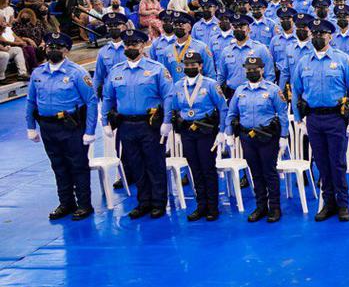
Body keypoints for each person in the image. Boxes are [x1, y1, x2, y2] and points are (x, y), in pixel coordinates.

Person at [292, 20, 349, 222]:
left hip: (335, 118)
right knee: (321, 163)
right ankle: (328, 203)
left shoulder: (342, 60)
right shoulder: (303, 62)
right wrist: (298, 119)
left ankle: (342, 204)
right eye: (314, 33)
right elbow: (296, 91)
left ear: (330, 36)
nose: (317, 37)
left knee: (337, 163)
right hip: (313, 118)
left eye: (322, 33)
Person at [101, 30, 173, 219]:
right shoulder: (116, 71)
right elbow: (108, 97)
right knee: (136, 165)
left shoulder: (157, 69)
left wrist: (167, 121)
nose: (131, 48)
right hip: (126, 125)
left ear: (143, 46)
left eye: (135, 44)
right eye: (128, 44)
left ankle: (158, 203)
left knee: (154, 164)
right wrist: (105, 122)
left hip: (150, 124)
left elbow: (168, 96)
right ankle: (143, 202)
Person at [25, 32, 97, 221]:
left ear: (66, 50)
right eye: (51, 47)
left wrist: (90, 131)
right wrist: (30, 127)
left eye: (58, 47)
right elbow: (31, 101)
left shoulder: (77, 72)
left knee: (78, 166)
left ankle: (84, 204)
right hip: (48, 127)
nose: (54, 50)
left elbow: (91, 101)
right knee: (58, 166)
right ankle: (66, 202)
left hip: (71, 127)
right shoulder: (38, 73)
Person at [164, 50, 226, 222]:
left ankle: (213, 207)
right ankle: (201, 205)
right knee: (195, 169)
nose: (190, 67)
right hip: (187, 132)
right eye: (187, 65)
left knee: (207, 169)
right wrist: (168, 122)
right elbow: (174, 107)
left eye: (193, 65)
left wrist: (222, 131)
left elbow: (223, 108)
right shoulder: (178, 86)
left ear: (200, 66)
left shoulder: (211, 85)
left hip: (205, 131)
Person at [226, 56, 289, 223]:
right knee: (255, 173)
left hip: (267, 137)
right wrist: (228, 133)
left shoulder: (273, 90)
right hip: (247, 137)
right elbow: (231, 113)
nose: (251, 72)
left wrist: (284, 136)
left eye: (255, 69)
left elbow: (282, 115)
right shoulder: (240, 91)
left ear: (262, 69)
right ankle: (261, 206)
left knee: (269, 172)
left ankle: (274, 207)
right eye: (248, 69)